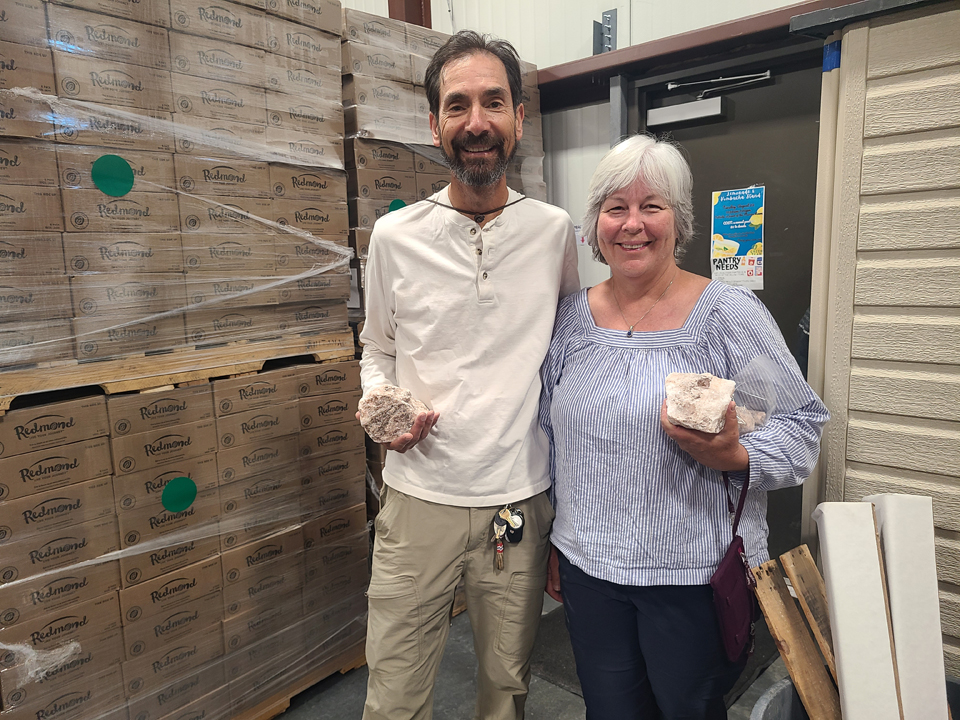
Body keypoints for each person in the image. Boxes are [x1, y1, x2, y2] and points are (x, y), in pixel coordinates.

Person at [539, 134, 828, 720]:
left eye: (653, 206)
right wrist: (553, 536)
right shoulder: (569, 319)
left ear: (680, 220)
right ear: (595, 225)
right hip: (588, 570)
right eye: (615, 209)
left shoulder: (727, 314)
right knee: (610, 710)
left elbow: (802, 428)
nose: (633, 225)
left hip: (691, 578)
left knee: (688, 711)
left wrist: (736, 455)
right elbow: (550, 438)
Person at [358, 30, 580, 720]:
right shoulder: (396, 237)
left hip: (516, 504)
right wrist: (381, 403)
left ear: (518, 119)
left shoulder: (554, 233)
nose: (476, 122)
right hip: (416, 498)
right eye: (457, 106)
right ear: (434, 124)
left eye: (493, 102)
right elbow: (376, 350)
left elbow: (570, 356)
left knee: (506, 688)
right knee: (393, 694)